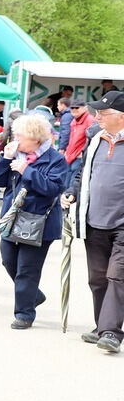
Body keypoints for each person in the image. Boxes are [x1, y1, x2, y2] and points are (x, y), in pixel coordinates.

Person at [0, 114, 67, 329]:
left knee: (27, 269)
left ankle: (24, 313)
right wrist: (5, 159)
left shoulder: (55, 159)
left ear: (34, 138)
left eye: (19, 135)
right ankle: (33, 294)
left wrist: (27, 170)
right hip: (12, 219)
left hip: (39, 223)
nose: (15, 139)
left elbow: (53, 188)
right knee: (8, 260)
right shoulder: (16, 155)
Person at [63, 90, 124, 353]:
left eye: (103, 113)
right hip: (94, 220)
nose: (96, 116)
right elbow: (82, 174)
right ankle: (102, 327)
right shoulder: (95, 138)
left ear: (121, 117)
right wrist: (72, 192)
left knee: (117, 276)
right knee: (97, 278)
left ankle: (111, 331)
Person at [63, 99, 95, 181]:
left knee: (72, 184)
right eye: (72, 108)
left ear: (85, 108)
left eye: (77, 108)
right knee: (66, 182)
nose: (74, 110)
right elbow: (72, 139)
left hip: (79, 157)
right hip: (70, 156)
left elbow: (92, 139)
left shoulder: (90, 120)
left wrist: (83, 152)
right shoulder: (74, 120)